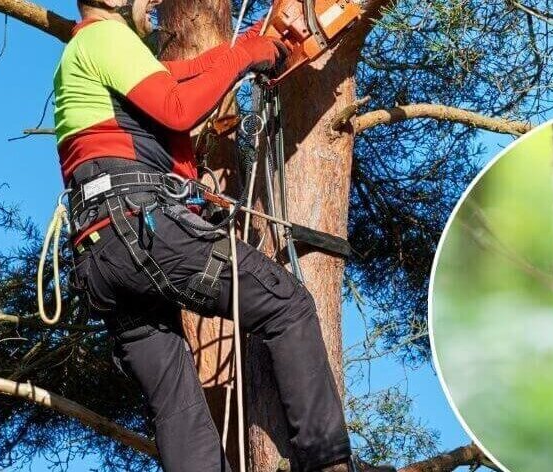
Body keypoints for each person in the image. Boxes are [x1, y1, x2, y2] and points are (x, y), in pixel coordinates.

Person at [53, 1, 390, 471]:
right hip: (138, 227)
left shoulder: (88, 54)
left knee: (175, 400)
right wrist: (244, 56)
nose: (152, 4)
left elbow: (185, 74)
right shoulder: (103, 38)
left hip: (101, 256)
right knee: (286, 304)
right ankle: (329, 462)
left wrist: (255, 41)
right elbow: (177, 107)